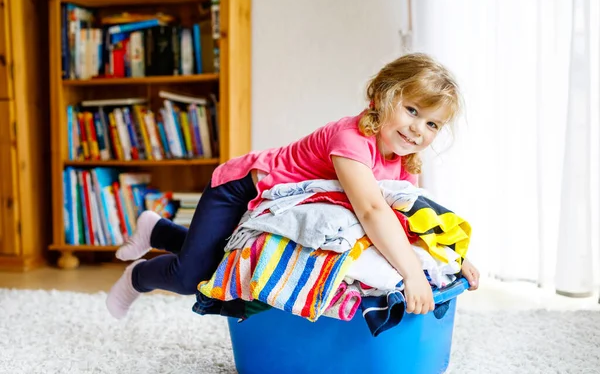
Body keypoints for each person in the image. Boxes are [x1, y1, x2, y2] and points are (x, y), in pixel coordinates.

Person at [106, 52, 480, 320]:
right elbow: (372, 211)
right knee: (193, 277)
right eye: (412, 111)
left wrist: (450, 261)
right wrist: (413, 275)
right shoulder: (351, 139)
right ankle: (137, 277)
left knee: (219, 256)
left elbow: (408, 220)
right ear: (381, 96)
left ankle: (155, 229)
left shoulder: (402, 159)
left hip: (276, 206)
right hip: (241, 188)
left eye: (432, 124)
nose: (418, 129)